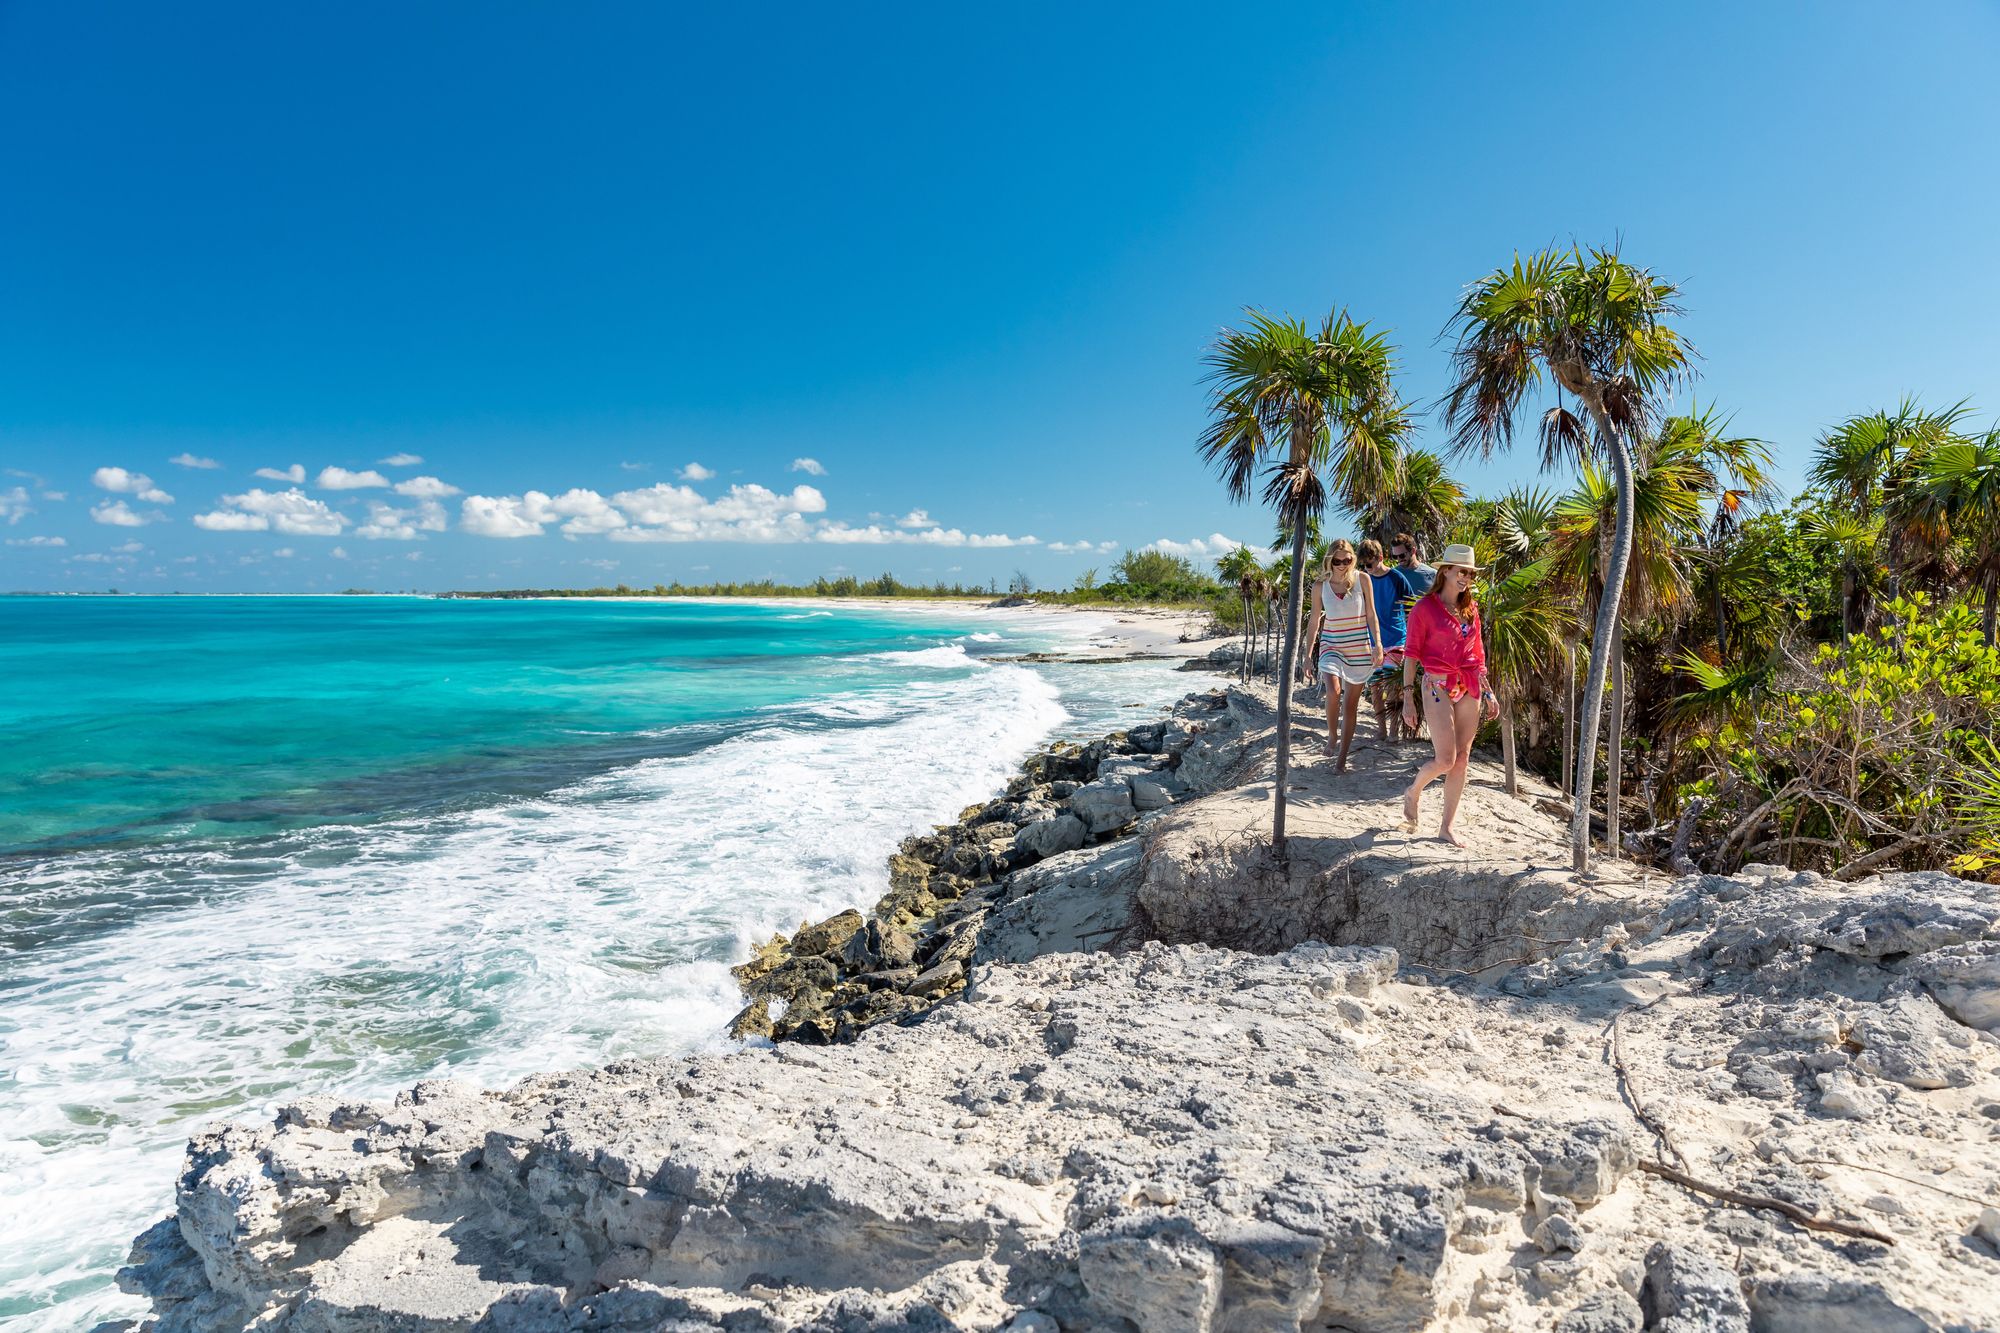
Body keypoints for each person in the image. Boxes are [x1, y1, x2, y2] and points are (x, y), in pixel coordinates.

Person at [1398, 544, 1499, 847]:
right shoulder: (1424, 608)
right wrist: (1407, 697)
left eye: (1469, 572)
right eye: (1460, 571)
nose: (1466, 577)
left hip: (1470, 685)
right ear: (1445, 571)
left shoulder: (1471, 609)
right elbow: (1411, 655)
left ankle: (1446, 827)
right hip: (1437, 685)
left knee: (1462, 759)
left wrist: (1490, 693)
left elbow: (1478, 655)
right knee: (1445, 759)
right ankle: (1414, 790)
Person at [1299, 539, 1383, 774]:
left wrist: (1378, 644)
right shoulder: (1320, 586)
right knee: (1333, 690)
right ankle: (1332, 735)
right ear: (1330, 560)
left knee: (1351, 706)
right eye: (1338, 560)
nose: (1343, 564)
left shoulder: (1362, 579)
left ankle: (1342, 759)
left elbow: (1371, 614)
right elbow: (1314, 620)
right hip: (1331, 645)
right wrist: (1307, 655)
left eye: (1348, 560)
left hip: (1358, 648)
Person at [1358, 539, 1415, 741]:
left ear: (1380, 558)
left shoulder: (1396, 578)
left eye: (1370, 564)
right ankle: (1381, 729)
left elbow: (1411, 608)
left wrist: (1412, 640)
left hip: (1397, 639)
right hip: (1372, 642)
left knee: (1393, 689)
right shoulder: (1363, 579)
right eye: (1364, 565)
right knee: (1375, 688)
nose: (1367, 569)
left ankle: (1394, 730)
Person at [1393, 532, 1436, 598]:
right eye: (1395, 556)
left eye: (1402, 555)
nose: (1398, 560)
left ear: (1413, 550)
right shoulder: (1392, 575)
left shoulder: (1432, 574)